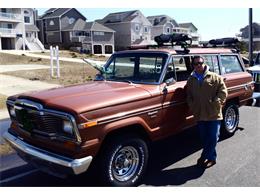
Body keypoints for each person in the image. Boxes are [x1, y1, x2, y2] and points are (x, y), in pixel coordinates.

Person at [186, 56, 228, 168]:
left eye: (200, 63)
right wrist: (192, 105)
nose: (198, 65)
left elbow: (223, 91)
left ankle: (208, 157)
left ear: (204, 63)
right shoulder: (191, 80)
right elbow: (188, 95)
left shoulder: (214, 77)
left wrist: (217, 101)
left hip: (213, 113)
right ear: (193, 66)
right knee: (205, 138)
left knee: (213, 137)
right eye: (195, 64)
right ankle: (209, 156)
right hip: (200, 114)